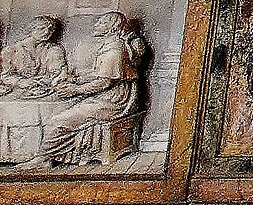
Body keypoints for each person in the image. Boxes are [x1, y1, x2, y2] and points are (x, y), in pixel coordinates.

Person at [36, 13, 147, 167]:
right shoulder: (111, 46)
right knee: (62, 111)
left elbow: (104, 83)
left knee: (57, 121)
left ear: (111, 28)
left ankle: (43, 159)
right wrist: (77, 79)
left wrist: (75, 90)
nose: (96, 25)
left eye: (101, 23)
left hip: (113, 101)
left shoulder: (114, 51)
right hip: (108, 96)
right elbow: (101, 75)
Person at [0, 18, 65, 96]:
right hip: (17, 93)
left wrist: (47, 80)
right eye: (42, 28)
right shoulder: (11, 50)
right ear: (31, 30)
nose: (46, 32)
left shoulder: (54, 50)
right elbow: (5, 76)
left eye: (50, 29)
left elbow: (58, 73)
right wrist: (20, 82)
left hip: (44, 91)